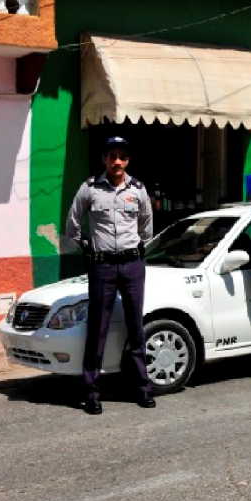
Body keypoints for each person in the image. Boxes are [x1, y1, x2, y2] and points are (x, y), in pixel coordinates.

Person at [66, 136, 155, 415]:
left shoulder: (138, 190)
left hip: (132, 266)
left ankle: (142, 388)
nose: (117, 161)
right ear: (104, 159)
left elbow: (147, 228)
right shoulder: (89, 188)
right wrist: (88, 248)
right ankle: (91, 391)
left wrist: (134, 251)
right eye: (112, 156)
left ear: (127, 160)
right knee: (98, 327)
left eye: (122, 157)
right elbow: (73, 224)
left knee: (135, 326)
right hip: (102, 266)